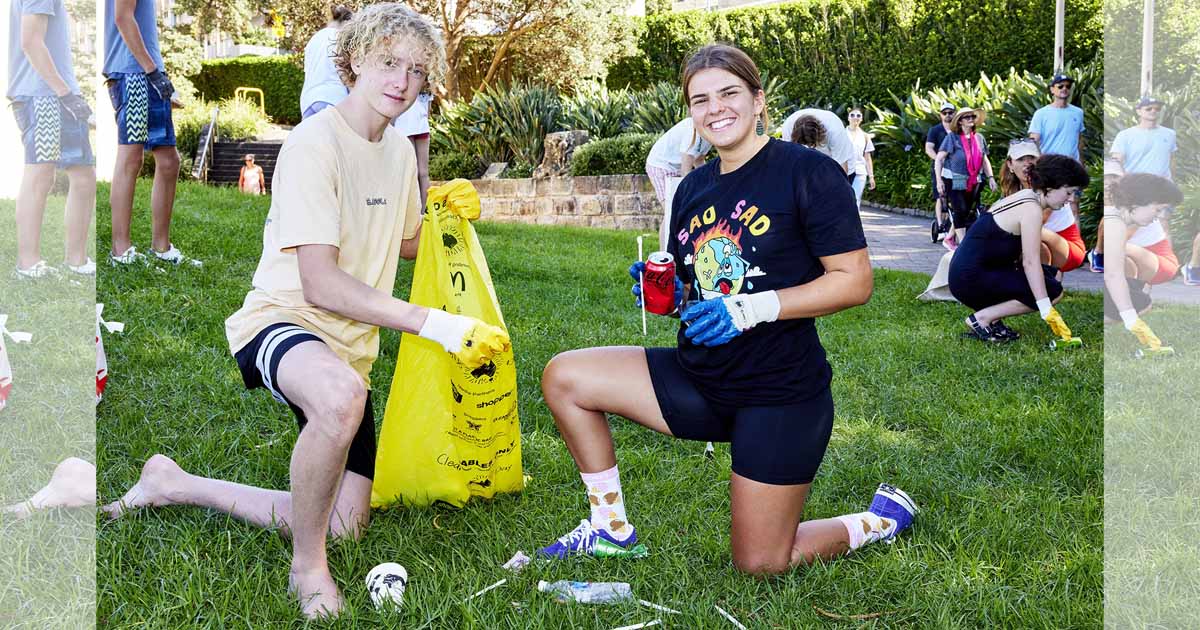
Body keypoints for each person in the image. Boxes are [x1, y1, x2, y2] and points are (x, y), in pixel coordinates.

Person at [102, 5, 510, 618]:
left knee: (345, 523)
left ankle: (173, 484)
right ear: (354, 63)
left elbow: (401, 243)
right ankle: (308, 568)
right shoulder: (313, 143)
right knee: (340, 399)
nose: (401, 80)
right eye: (388, 62)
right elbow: (320, 283)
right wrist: (438, 324)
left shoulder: (399, 151)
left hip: (350, 349)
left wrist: (446, 218)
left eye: (417, 70)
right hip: (282, 320)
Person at [537, 43, 915, 576]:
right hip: (701, 380)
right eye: (700, 99)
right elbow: (701, 292)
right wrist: (667, 295)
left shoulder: (808, 173)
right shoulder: (691, 188)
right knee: (566, 376)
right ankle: (610, 528)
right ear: (690, 113)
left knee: (761, 563)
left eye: (729, 93)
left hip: (779, 393)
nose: (716, 108)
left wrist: (750, 309)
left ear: (759, 100)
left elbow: (854, 282)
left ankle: (881, 520)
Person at [948, 155, 1089, 343]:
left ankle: (994, 320)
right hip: (969, 279)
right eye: (1069, 192)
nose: (1071, 199)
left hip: (968, 273)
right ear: (1050, 186)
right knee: (1053, 291)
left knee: (1051, 276)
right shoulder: (1032, 210)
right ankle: (982, 319)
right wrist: (1045, 306)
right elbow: (1030, 262)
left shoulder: (1027, 196)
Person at [8, 0, 96, 277]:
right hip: (44, 95)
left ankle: (76, 260)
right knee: (40, 173)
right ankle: (28, 264)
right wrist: (66, 94)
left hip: (53, 94)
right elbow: (31, 41)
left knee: (83, 175)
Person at [104, 0, 194, 265]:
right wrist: (152, 72)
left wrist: (159, 78)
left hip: (148, 75)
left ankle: (161, 248)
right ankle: (121, 252)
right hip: (133, 74)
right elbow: (122, 17)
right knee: (131, 159)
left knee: (169, 161)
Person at [1091, 96, 1178, 274]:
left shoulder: (1169, 134)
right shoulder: (1126, 135)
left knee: (1163, 224)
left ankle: (1166, 265)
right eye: (1148, 109)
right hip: (1133, 188)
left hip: (1160, 190)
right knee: (1113, 220)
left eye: (1156, 109)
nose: (1153, 112)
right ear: (1139, 111)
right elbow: (1117, 161)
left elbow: (1172, 161)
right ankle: (1099, 252)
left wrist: (1171, 185)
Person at [1102, 173, 1183, 350]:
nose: (1159, 216)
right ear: (1138, 202)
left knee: (1140, 300)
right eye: (1158, 209)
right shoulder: (1115, 223)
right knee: (1140, 303)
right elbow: (1112, 275)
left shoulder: (1116, 218)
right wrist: (1130, 318)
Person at [999, 140, 1086, 272]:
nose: (1027, 163)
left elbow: (1034, 222)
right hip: (1044, 243)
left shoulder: (1049, 187)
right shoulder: (1013, 190)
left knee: (1029, 233)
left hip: (1068, 247)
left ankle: (1048, 286)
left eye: (1032, 158)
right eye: (1021, 159)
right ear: (1010, 165)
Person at [645, 118, 712, 249]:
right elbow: (686, 168)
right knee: (671, 210)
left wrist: (708, 182)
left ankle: (682, 249)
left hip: (675, 166)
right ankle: (665, 254)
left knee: (680, 210)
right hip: (660, 165)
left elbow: (699, 160)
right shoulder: (694, 130)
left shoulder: (710, 133)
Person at [935, 107, 996, 248]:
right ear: (960, 122)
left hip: (975, 179)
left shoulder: (979, 138)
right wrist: (939, 180)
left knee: (966, 211)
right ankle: (963, 245)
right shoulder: (952, 138)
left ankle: (949, 237)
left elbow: (984, 159)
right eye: (966, 117)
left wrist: (991, 177)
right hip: (955, 178)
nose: (970, 119)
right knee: (960, 209)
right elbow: (939, 159)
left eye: (972, 117)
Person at [1028, 73, 1085, 220]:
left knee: (1074, 207)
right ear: (1052, 89)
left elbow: (1079, 141)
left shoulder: (1078, 113)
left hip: (1072, 168)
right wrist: (1038, 167)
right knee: (1047, 209)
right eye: (1060, 86)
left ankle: (1076, 242)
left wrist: (1082, 166)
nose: (1064, 89)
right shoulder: (1041, 114)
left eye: (1068, 86)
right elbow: (1034, 142)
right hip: (1051, 169)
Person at [299, 5, 353, 121]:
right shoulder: (340, 38)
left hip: (308, 100)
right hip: (333, 98)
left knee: (310, 137)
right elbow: (346, 71)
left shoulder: (314, 39)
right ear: (346, 22)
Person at [781, 107, 854, 175]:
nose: (809, 147)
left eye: (812, 144)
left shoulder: (835, 131)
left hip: (836, 163)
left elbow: (842, 168)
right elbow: (791, 161)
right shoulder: (788, 128)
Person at [925, 102, 956, 238]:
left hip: (956, 168)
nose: (948, 115)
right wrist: (938, 159)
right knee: (941, 195)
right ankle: (940, 224)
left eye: (950, 113)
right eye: (945, 113)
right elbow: (929, 148)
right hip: (940, 168)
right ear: (940, 115)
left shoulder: (958, 130)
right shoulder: (935, 130)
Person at [845, 107, 875, 209]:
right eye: (852, 115)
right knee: (844, 198)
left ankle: (853, 223)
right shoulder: (842, 134)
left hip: (860, 171)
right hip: (844, 171)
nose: (855, 117)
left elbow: (867, 157)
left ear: (861, 119)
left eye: (858, 115)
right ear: (848, 118)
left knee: (856, 198)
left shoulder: (865, 136)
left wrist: (871, 176)